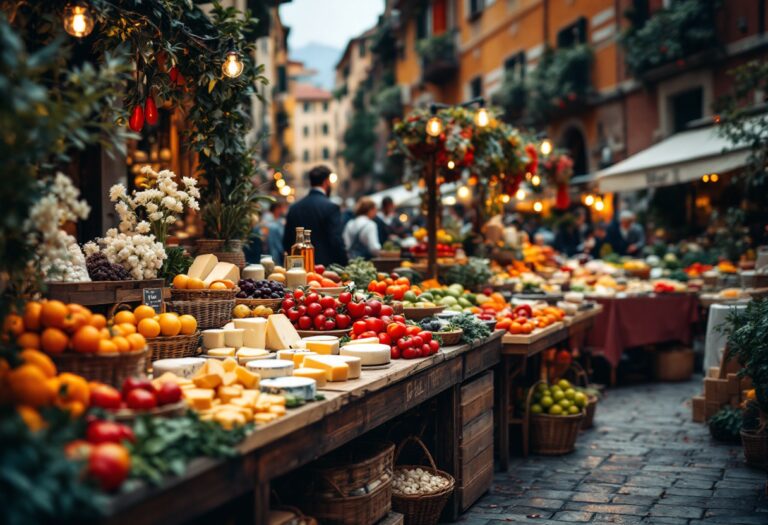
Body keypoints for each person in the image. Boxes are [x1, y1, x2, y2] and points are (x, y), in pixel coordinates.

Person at [283, 165, 348, 266]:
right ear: (326, 181)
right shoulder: (331, 207)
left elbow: (287, 241)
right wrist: (345, 265)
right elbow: (336, 241)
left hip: (298, 268)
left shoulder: (294, 208)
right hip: (324, 270)